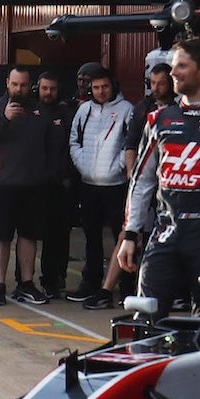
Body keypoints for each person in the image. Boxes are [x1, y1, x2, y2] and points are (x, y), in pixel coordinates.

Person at [114, 39, 200, 314]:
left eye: (181, 66)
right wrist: (130, 234)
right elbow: (141, 181)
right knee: (146, 314)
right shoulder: (158, 120)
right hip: (163, 231)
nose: (173, 73)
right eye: (173, 66)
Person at [0, 67, 51, 306]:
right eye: (15, 84)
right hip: (3, 184)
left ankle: (26, 283)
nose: (19, 89)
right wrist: (5, 119)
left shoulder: (39, 110)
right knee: (2, 236)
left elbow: (50, 143)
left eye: (23, 85)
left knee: (29, 236)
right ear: (7, 83)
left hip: (33, 185)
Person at [67, 66, 129, 304]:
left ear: (112, 85)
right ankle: (91, 281)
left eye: (104, 87)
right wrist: (83, 166)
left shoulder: (126, 110)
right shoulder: (83, 111)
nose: (101, 91)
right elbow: (74, 141)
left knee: (121, 237)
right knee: (91, 237)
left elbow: (131, 143)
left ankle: (126, 284)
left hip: (116, 185)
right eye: (96, 88)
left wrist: (117, 167)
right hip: (89, 184)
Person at [34, 70, 75, 299]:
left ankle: (54, 279)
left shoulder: (68, 114)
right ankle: (27, 280)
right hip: (35, 183)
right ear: (37, 89)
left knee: (59, 235)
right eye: (44, 88)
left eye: (52, 89)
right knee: (31, 234)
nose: (48, 93)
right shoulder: (30, 111)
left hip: (61, 184)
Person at [122, 62, 177, 179]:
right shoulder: (142, 108)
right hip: (143, 173)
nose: (155, 88)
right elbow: (131, 142)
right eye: (153, 83)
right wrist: (131, 173)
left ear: (171, 84)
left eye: (161, 84)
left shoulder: (178, 109)